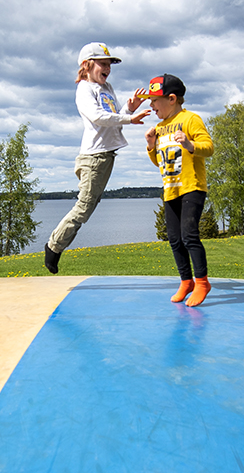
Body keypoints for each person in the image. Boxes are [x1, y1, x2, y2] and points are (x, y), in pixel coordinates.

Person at [44, 42, 150, 274]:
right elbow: (98, 117)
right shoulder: (84, 89)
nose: (108, 68)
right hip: (93, 158)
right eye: (103, 63)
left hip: (105, 156)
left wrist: (129, 109)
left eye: (109, 64)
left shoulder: (107, 87)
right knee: (84, 207)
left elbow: (114, 117)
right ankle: (53, 247)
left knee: (88, 206)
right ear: (86, 64)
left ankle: (55, 245)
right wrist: (129, 120)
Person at [141, 74, 214, 307]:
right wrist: (151, 146)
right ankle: (186, 281)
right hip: (170, 190)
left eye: (154, 100)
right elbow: (160, 161)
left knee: (189, 235)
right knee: (174, 239)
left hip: (191, 187)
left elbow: (209, 147)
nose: (151, 105)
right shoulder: (160, 128)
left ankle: (202, 282)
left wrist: (190, 144)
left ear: (171, 98)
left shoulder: (191, 119)